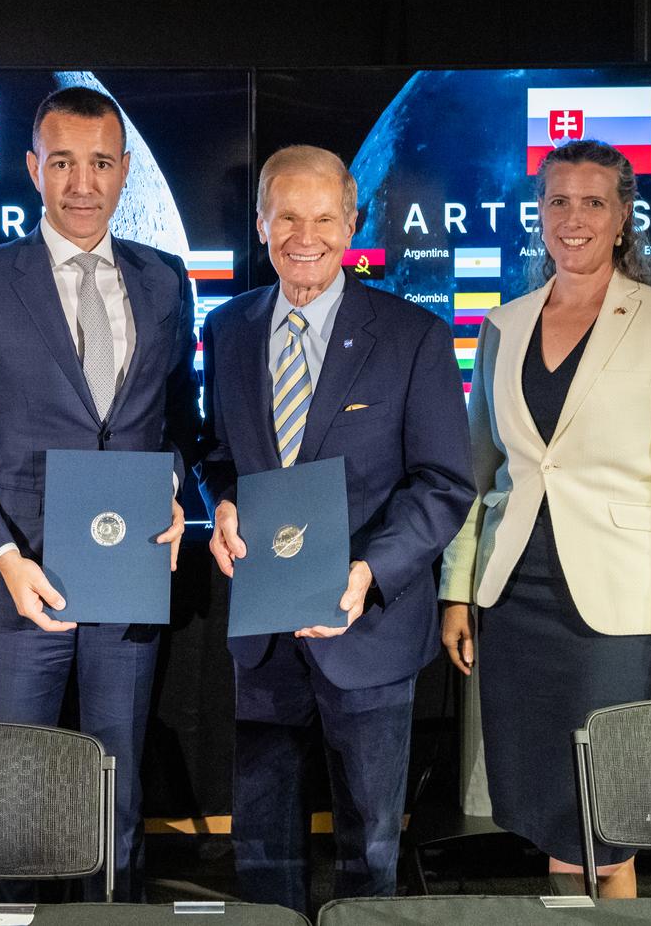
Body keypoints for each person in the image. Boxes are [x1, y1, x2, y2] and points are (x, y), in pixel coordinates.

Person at [0, 86, 199, 902]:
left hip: (130, 574)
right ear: (33, 168)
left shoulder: (164, 281)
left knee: (116, 796)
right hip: (20, 583)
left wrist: (173, 491)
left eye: (101, 162)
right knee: (14, 798)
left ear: (124, 170)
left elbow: (183, 423)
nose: (83, 182)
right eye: (64, 162)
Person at [440, 139, 651, 898]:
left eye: (593, 201)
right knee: (549, 812)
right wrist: (456, 591)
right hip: (516, 603)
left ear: (622, 214)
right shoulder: (502, 326)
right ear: (539, 212)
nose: (574, 218)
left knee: (607, 820)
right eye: (558, 201)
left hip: (618, 614)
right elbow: (477, 476)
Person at [199, 145, 475, 914]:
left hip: (370, 629)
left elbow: (444, 483)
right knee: (261, 841)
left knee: (371, 841)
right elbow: (216, 453)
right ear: (262, 223)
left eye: (324, 216)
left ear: (351, 223)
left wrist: (366, 573)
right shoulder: (229, 329)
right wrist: (220, 502)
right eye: (287, 214)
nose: (305, 234)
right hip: (263, 631)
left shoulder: (413, 336)